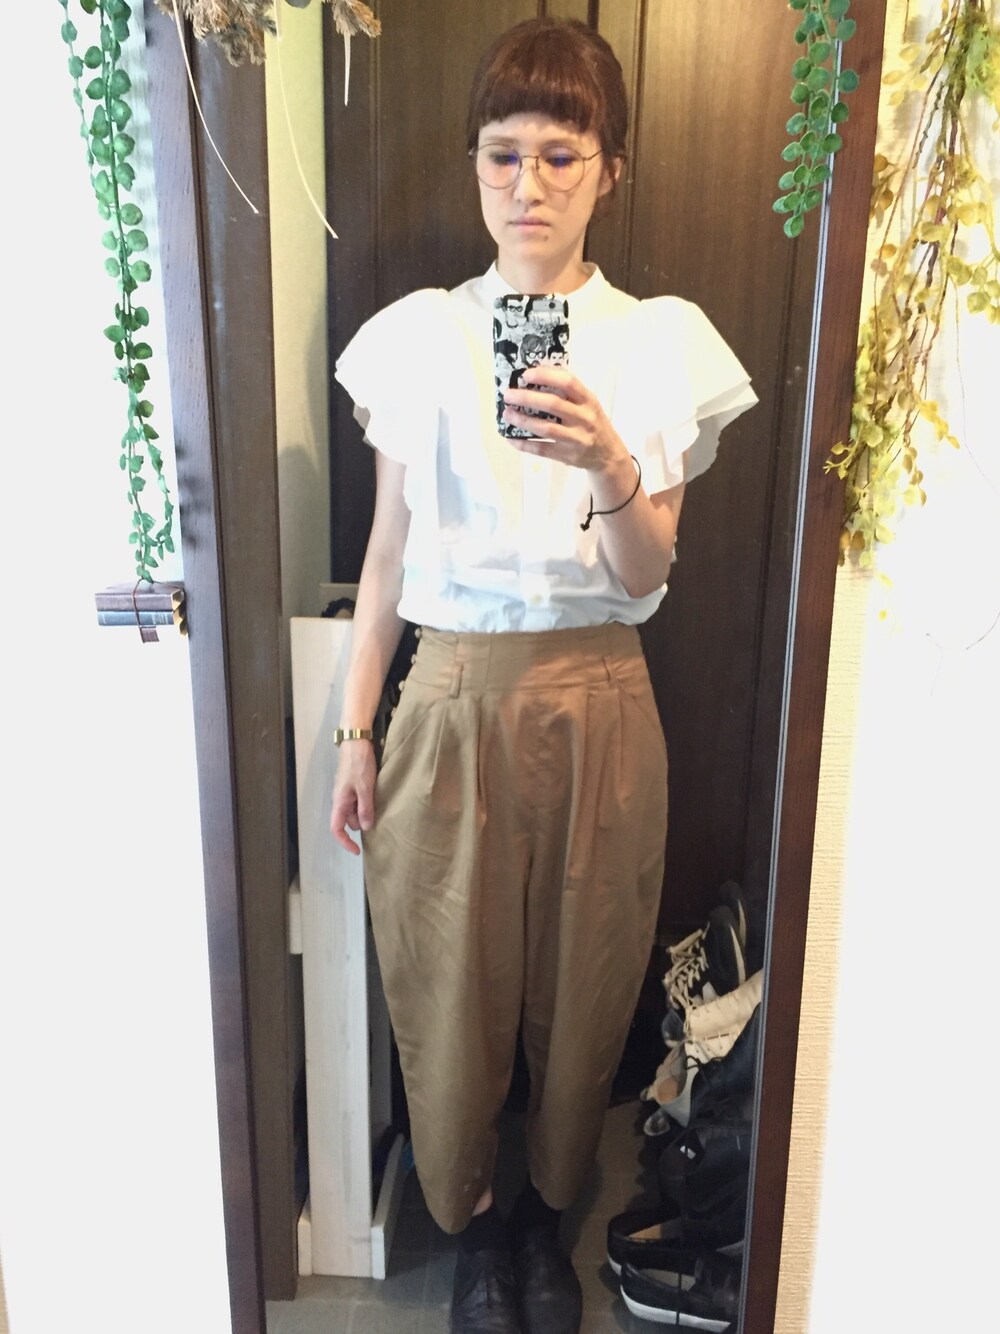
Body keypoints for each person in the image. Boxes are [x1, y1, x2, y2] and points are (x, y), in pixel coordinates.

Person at [329, 17, 756, 1334]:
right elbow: (387, 553)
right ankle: (472, 1228)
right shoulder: (420, 336)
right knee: (450, 983)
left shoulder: (658, 340)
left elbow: (646, 571)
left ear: (608, 170)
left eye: (560, 155)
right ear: (473, 166)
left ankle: (544, 1219)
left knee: (586, 984)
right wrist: (356, 731)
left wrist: (607, 459)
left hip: (602, 695)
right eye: (501, 153)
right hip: (450, 695)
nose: (527, 184)